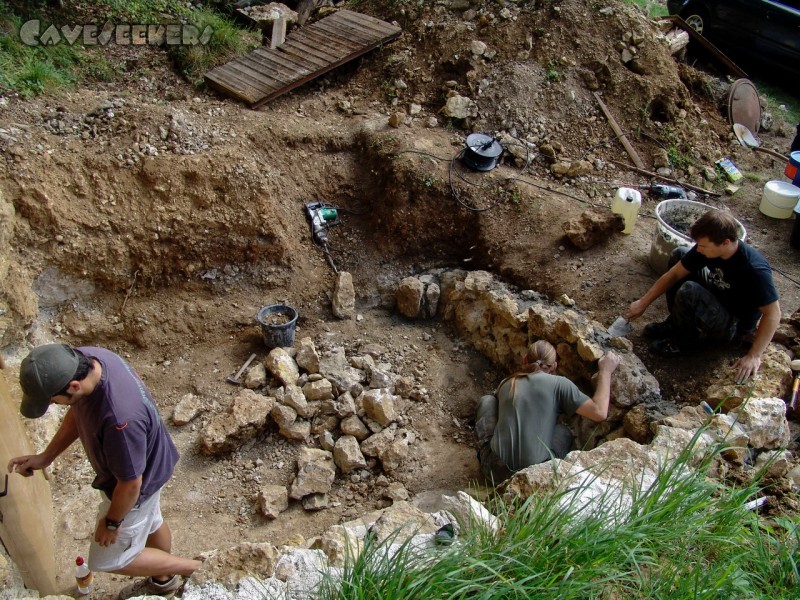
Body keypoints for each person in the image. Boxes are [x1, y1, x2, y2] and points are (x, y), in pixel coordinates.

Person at [7, 344, 201, 599]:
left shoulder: (119, 420)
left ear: (73, 386)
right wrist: (46, 457)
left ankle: (194, 568)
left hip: (137, 486)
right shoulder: (85, 359)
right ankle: (162, 580)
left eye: (54, 400)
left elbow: (131, 484)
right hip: (152, 461)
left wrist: (112, 522)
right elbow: (78, 413)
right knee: (152, 522)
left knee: (112, 560)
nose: (54, 405)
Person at [626, 209, 780, 384]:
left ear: (725, 242)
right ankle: (675, 323)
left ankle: (684, 342)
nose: (699, 249)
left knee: (689, 291)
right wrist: (643, 302)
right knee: (679, 255)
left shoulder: (754, 270)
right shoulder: (709, 250)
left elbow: (773, 314)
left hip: (732, 325)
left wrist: (754, 355)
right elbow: (675, 274)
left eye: (704, 245)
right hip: (717, 296)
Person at [476, 340, 620, 484]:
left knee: (488, 401)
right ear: (554, 366)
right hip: (533, 478)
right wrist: (605, 371)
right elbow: (600, 412)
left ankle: (484, 457)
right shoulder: (560, 384)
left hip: (494, 470)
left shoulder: (508, 382)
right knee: (563, 431)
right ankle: (553, 479)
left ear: (525, 359)